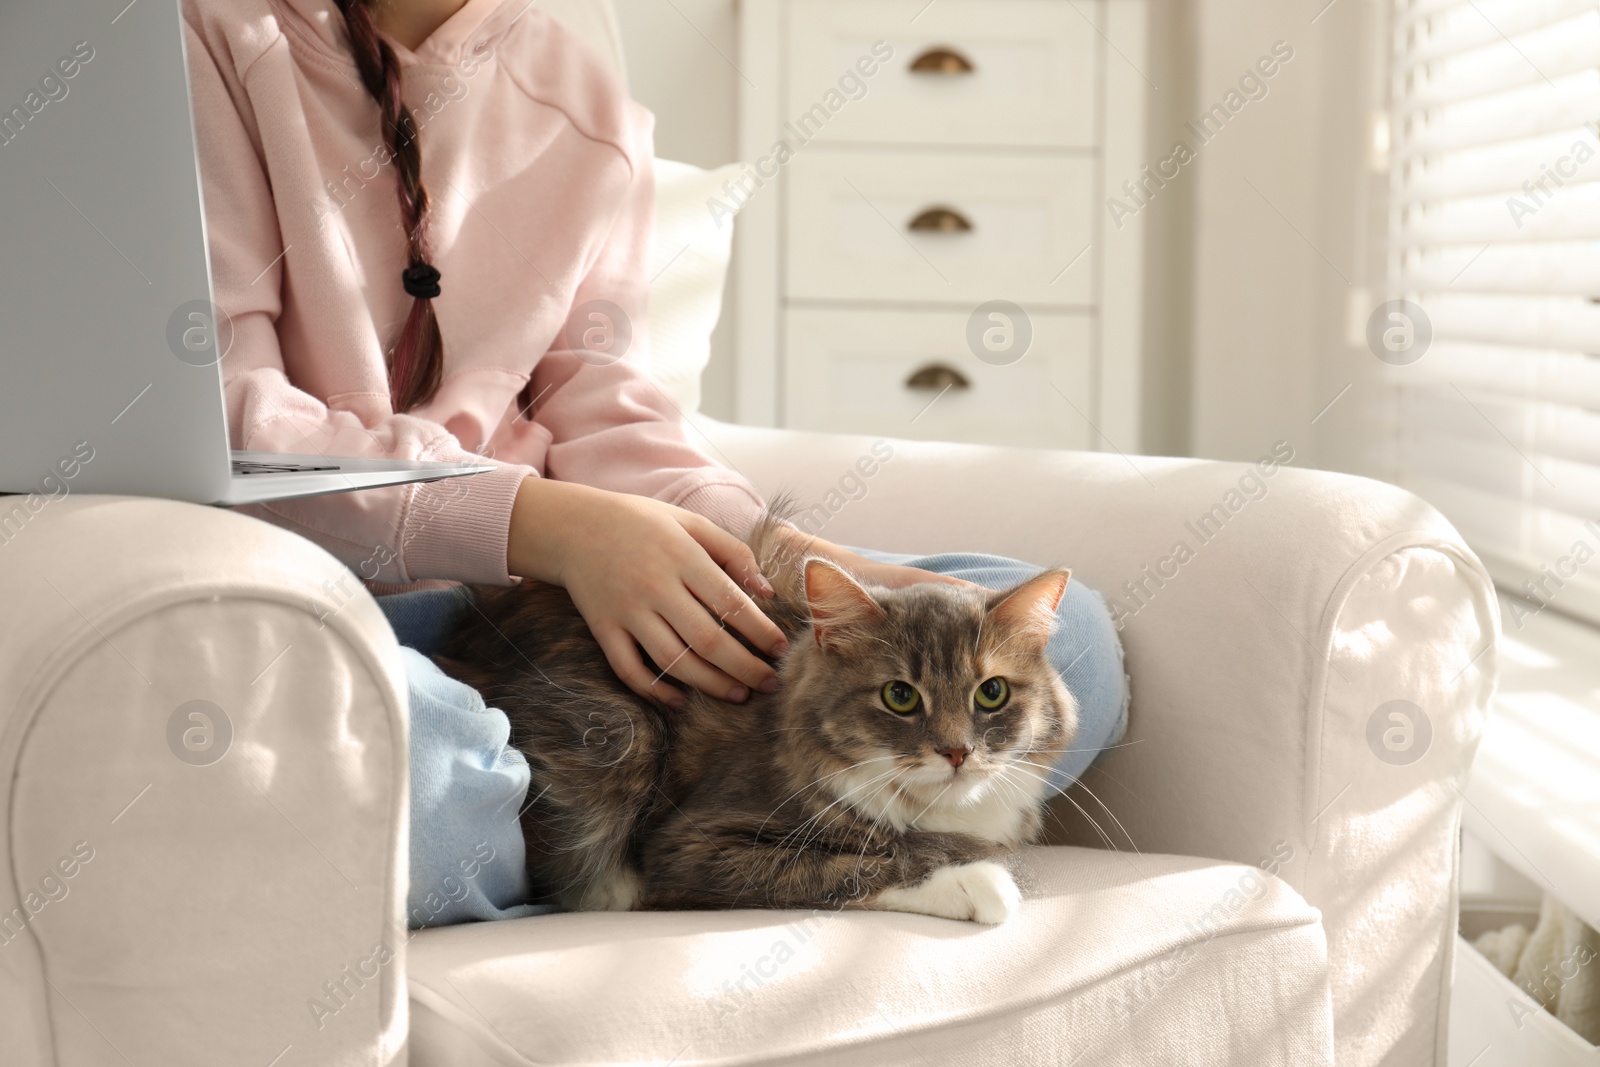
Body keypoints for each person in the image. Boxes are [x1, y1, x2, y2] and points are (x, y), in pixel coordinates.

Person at [182, 0, 1128, 926]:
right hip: (360, 619)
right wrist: (549, 525)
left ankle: (731, 835)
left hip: (574, 616)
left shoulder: (577, 84)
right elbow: (226, 418)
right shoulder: (198, 36)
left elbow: (603, 395)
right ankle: (687, 849)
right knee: (423, 772)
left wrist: (772, 552)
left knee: (1074, 639)